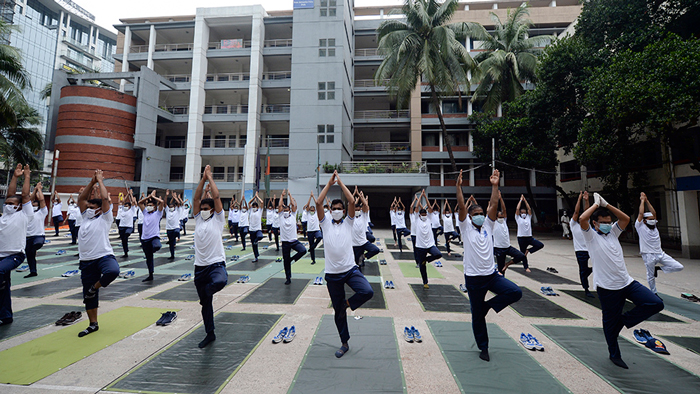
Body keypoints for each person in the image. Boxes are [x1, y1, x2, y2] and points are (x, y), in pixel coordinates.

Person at [579, 192, 664, 369]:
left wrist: (607, 204)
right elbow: (582, 219)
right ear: (595, 223)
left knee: (655, 303)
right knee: (609, 326)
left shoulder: (613, 233)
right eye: (603, 223)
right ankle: (614, 355)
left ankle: (623, 321)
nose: (607, 225)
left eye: (609, 222)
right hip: (607, 288)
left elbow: (625, 219)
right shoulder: (591, 237)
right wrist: (595, 205)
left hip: (627, 283)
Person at [457, 169, 522, 362]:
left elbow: (494, 204)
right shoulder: (465, 227)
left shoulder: (488, 225)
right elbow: (461, 206)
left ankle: (488, 306)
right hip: (474, 279)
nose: (479, 216)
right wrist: (458, 186)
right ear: (470, 217)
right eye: (475, 214)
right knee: (477, 317)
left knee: (515, 292)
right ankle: (483, 348)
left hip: (491, 275)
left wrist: (495, 185)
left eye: (480, 213)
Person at [316, 171, 373, 358]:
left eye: (340, 207)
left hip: (350, 270)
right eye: (335, 208)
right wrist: (328, 183)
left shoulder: (349, 222)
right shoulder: (325, 224)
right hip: (332, 275)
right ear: (331, 210)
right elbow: (318, 203)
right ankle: (344, 343)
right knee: (338, 313)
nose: (338, 210)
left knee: (367, 291)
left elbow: (352, 202)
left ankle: (347, 304)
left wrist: (340, 183)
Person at [76, 169, 121, 337]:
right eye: (87, 207)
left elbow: (104, 199)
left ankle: (95, 287)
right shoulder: (85, 218)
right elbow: (81, 199)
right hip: (86, 260)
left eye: (92, 207)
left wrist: (101, 181)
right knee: (88, 297)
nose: (88, 208)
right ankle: (93, 324)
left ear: (99, 209)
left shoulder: (105, 218)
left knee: (113, 271)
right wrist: (92, 182)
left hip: (103, 256)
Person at [192, 165, 228, 348]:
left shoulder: (218, 220)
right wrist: (202, 179)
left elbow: (216, 197)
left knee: (220, 282)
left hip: (215, 265)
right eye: (202, 208)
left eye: (206, 208)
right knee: (205, 305)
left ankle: (207, 292)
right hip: (200, 268)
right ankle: (210, 334)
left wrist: (211, 178)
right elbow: (196, 198)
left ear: (213, 210)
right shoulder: (198, 218)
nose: (203, 210)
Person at [0, 164, 32, 325]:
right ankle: (6, 316)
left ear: (19, 206)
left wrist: (26, 176)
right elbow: (10, 193)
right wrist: (14, 177)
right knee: (4, 287)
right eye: (6, 203)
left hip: (14, 255)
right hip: (1, 256)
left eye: (12, 204)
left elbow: (24, 195)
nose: (8, 205)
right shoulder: (4, 215)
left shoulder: (24, 215)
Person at [636, 192, 683, 296]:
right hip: (648, 255)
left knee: (679, 266)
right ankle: (654, 293)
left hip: (660, 253)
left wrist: (647, 200)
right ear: (644, 221)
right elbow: (640, 214)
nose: (653, 221)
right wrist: (642, 201)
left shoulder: (655, 227)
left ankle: (659, 268)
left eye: (653, 219)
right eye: (650, 220)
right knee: (650, 276)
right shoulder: (640, 226)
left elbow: (654, 212)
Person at [411, 190, 442, 288]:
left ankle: (426, 259)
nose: (424, 215)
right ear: (420, 215)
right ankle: (425, 282)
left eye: (425, 214)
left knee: (438, 254)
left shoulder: (429, 219)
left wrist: (425, 196)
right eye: (423, 214)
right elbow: (416, 207)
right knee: (422, 266)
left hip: (430, 244)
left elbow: (431, 208)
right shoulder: (417, 220)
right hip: (420, 246)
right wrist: (420, 197)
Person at [493, 192, 526, 275]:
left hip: (507, 247)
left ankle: (507, 264)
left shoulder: (504, 221)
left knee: (521, 256)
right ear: (496, 217)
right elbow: (492, 211)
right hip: (498, 248)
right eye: (500, 217)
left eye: (502, 216)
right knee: (501, 270)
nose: (501, 218)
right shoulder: (494, 223)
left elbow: (504, 209)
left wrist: (501, 199)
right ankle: (501, 283)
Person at [278, 189, 307, 284]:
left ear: (290, 211)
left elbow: (294, 206)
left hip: (294, 241)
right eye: (284, 210)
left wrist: (290, 195)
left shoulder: (293, 215)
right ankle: (288, 278)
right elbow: (279, 206)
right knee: (286, 262)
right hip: (285, 242)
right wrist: (282, 196)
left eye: (287, 210)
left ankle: (292, 259)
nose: (285, 212)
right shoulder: (281, 216)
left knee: (303, 250)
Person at [571, 191, 594, 297]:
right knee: (583, 271)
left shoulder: (586, 224)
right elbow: (576, 212)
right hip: (580, 251)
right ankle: (586, 289)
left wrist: (587, 200)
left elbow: (587, 211)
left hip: (591, 249)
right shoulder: (573, 224)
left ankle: (590, 272)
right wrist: (579, 199)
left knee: (598, 266)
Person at [138, 190, 165, 282]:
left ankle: (153, 250)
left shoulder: (158, 214)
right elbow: (139, 203)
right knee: (149, 258)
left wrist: (153, 197)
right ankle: (150, 274)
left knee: (157, 246)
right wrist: (148, 197)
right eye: (148, 205)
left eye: (151, 205)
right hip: (145, 238)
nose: (148, 207)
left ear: (154, 207)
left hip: (154, 237)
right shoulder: (145, 213)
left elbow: (161, 202)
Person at [24, 182, 48, 278]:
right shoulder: (26, 212)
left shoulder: (42, 212)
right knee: (30, 256)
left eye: (35, 204)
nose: (33, 204)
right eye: (32, 203)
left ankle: (35, 248)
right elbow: (29, 200)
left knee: (37, 244)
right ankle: (33, 271)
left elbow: (41, 200)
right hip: (27, 237)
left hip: (38, 236)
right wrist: (34, 190)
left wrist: (39, 189)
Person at [351, 190, 380, 271]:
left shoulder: (363, 216)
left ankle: (363, 257)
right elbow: (350, 203)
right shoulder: (350, 217)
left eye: (358, 210)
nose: (356, 211)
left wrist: (361, 197)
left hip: (363, 242)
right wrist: (354, 195)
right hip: (353, 245)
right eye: (355, 210)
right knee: (356, 265)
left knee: (375, 250)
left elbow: (365, 205)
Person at [515, 195, 543, 272]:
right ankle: (526, 267)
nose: (523, 214)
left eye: (525, 212)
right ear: (520, 213)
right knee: (522, 254)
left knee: (540, 245)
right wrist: (520, 200)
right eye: (522, 212)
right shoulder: (518, 218)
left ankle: (529, 250)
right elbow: (517, 209)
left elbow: (529, 209)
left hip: (529, 237)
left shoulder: (528, 217)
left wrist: (525, 201)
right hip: (521, 238)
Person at [116, 190, 137, 258]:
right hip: (122, 226)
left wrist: (130, 195)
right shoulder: (122, 209)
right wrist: (127, 194)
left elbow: (133, 203)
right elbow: (123, 201)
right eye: (125, 206)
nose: (125, 206)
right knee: (124, 240)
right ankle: (126, 252)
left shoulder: (131, 210)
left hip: (128, 227)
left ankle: (126, 249)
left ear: (129, 207)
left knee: (126, 235)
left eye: (127, 206)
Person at [305, 193, 323, 265]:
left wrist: (313, 197)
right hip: (310, 231)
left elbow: (317, 204)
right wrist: (310, 197)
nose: (312, 211)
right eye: (311, 210)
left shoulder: (316, 213)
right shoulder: (308, 213)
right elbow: (307, 205)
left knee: (320, 237)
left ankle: (314, 246)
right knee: (311, 246)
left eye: (313, 210)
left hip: (316, 229)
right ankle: (313, 260)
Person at [165, 190, 183, 260]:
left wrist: (175, 197)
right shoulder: (167, 211)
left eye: (172, 206)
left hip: (176, 227)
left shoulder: (177, 210)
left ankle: (174, 238)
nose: (171, 207)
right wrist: (166, 195)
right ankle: (172, 255)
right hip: (169, 229)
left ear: (175, 207)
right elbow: (165, 203)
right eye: (170, 207)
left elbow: (178, 203)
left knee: (177, 232)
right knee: (171, 244)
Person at [248, 192, 264, 262]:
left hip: (258, 229)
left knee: (260, 236)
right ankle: (256, 257)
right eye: (253, 206)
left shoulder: (259, 211)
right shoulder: (251, 211)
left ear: (257, 207)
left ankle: (256, 240)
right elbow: (249, 203)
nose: (254, 208)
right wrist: (254, 198)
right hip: (251, 229)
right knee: (254, 246)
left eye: (255, 207)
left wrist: (257, 197)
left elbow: (262, 202)